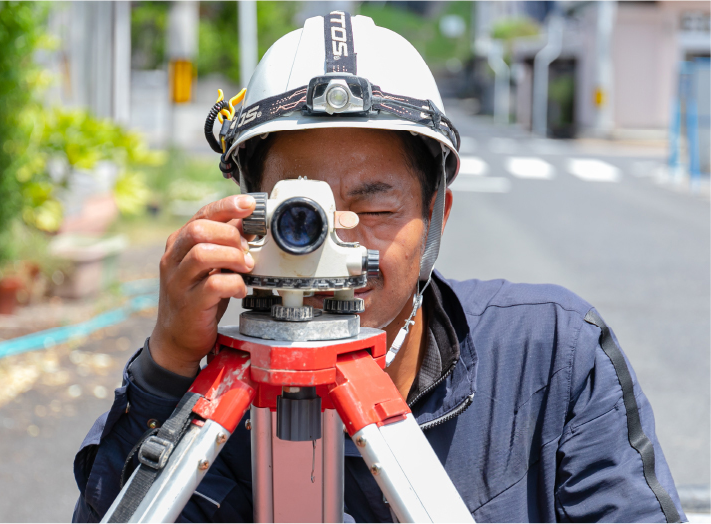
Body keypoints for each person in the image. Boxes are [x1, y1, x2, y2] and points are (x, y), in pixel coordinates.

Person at [72, 13, 685, 523]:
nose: (335, 233)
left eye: (375, 204)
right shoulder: (202, 392)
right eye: (300, 209)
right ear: (247, 213)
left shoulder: (551, 355)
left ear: (436, 213)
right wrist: (166, 369)